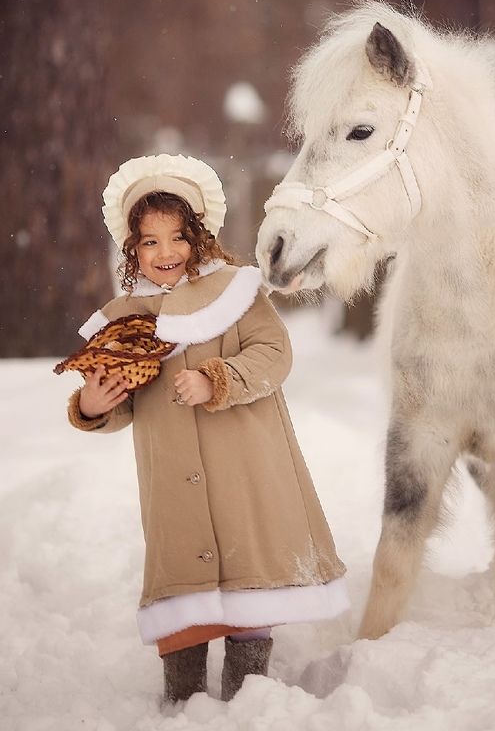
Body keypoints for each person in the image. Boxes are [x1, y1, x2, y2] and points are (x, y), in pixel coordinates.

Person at [66, 154, 348, 705]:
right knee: (182, 588)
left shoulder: (237, 293)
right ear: (131, 250)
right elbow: (121, 395)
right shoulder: (126, 319)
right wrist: (94, 405)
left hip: (242, 470)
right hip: (172, 481)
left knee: (249, 575)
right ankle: (182, 698)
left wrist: (218, 379)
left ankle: (248, 695)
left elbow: (273, 353)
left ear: (199, 235)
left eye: (178, 236)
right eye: (149, 242)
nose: (165, 252)